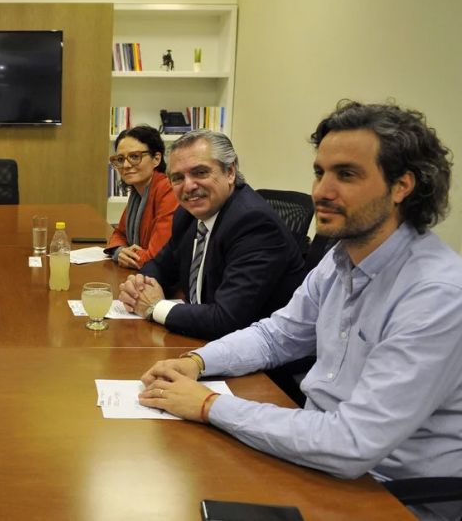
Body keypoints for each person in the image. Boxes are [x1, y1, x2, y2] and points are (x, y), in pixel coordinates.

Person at [138, 102, 462, 521]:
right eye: (319, 172)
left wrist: (207, 406)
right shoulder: (340, 258)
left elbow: (352, 443)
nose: (321, 192)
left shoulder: (436, 295)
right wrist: (197, 362)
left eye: (346, 175)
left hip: (389, 495)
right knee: (175, 484)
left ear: (401, 186)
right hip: (316, 461)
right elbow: (277, 335)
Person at [117, 129, 305, 340]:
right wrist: (139, 285)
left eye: (200, 172)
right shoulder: (187, 214)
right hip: (203, 340)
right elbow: (161, 264)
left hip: (261, 361)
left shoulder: (254, 224)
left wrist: (155, 307)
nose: (189, 186)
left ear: (230, 172)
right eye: (178, 178)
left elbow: (226, 319)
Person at [104, 125, 178, 269]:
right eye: (120, 159)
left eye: (134, 157)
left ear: (156, 159)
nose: (125, 165)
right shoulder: (137, 193)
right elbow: (119, 233)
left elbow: (157, 258)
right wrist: (119, 251)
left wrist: (128, 255)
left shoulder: (168, 191)